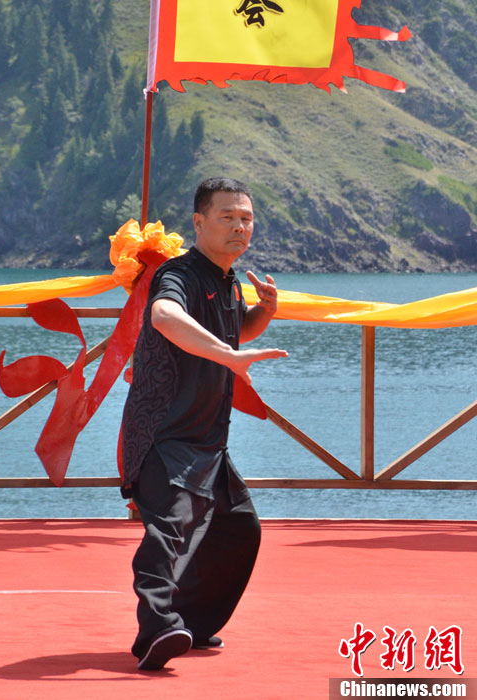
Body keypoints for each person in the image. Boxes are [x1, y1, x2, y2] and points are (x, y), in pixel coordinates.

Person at [120, 176, 288, 671]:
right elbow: (165, 317)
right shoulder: (178, 274)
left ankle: (188, 621)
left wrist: (264, 313)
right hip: (163, 433)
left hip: (208, 439)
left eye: (247, 218)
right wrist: (229, 357)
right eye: (227, 217)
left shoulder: (228, 280)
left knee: (238, 528)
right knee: (170, 528)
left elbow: (236, 332)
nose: (240, 227)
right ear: (199, 222)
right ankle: (156, 629)